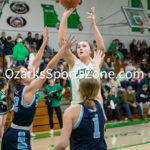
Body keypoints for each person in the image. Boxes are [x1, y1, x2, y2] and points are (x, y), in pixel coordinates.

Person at [1, 28, 75, 150]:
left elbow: (35, 64)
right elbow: (49, 67)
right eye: (25, 72)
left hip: (15, 133)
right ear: (19, 79)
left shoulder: (23, 86)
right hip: (18, 136)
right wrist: (63, 50)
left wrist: (44, 42)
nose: (29, 71)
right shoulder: (28, 89)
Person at [54, 51, 107, 150]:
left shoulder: (71, 111)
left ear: (78, 90)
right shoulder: (99, 103)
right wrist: (96, 65)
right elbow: (97, 82)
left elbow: (63, 144)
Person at [58, 8, 105, 105]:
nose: (80, 48)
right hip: (77, 104)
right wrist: (64, 18)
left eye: (84, 46)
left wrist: (93, 24)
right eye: (78, 47)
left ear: (91, 51)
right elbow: (61, 43)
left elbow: (101, 48)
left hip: (94, 103)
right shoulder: (74, 62)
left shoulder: (95, 62)